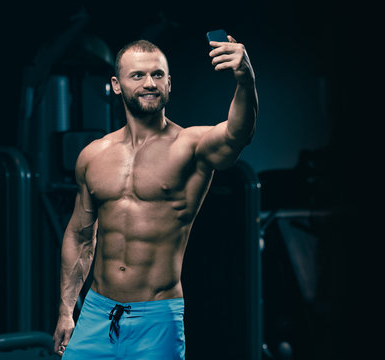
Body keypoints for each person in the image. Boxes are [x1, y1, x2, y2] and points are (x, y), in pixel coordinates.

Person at [52, 35, 257, 359]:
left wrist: (245, 80)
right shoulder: (93, 155)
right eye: (138, 75)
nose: (150, 83)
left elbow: (237, 134)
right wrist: (66, 310)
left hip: (157, 319)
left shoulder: (190, 146)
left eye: (157, 74)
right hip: (95, 312)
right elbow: (79, 236)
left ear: (169, 83)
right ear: (117, 85)